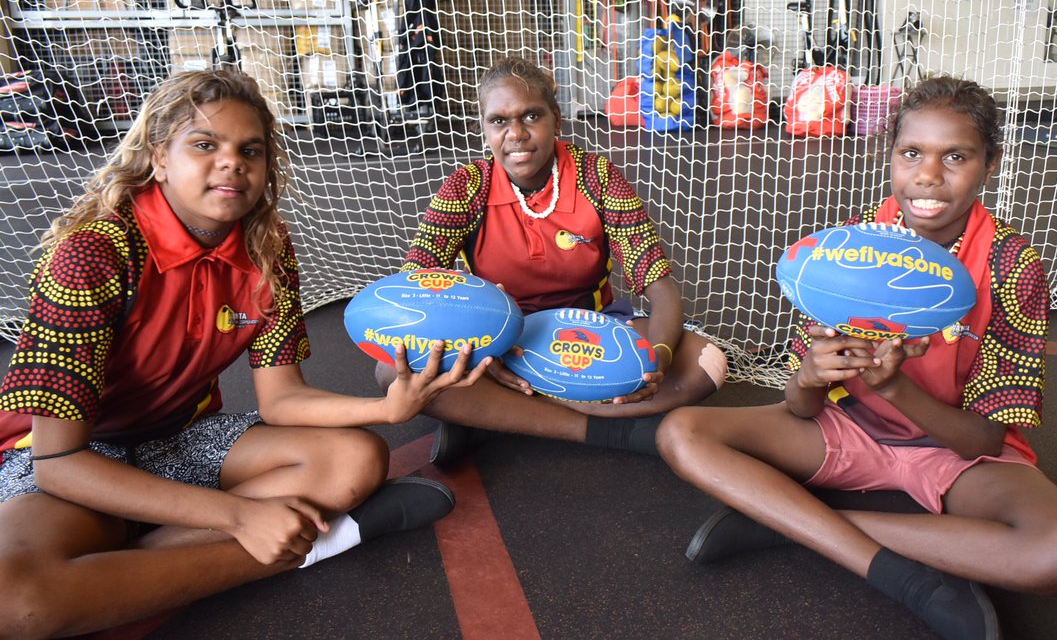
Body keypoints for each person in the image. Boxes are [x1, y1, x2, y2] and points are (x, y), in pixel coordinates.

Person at [0, 69, 489, 638]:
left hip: (177, 438)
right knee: (15, 601)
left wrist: (388, 409)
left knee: (355, 458)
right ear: (159, 159)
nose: (231, 162)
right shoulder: (90, 254)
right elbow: (58, 462)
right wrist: (240, 516)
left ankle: (110, 575)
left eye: (249, 150)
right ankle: (314, 544)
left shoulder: (266, 248)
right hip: (73, 460)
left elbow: (283, 400)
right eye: (205, 145)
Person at [656, 76, 1057, 640]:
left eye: (956, 157)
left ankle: (795, 525)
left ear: (990, 164)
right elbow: (800, 408)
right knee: (682, 433)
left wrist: (895, 387)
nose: (928, 175)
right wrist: (809, 377)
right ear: (890, 155)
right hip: (847, 428)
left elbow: (982, 441)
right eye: (912, 153)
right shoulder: (849, 249)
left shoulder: (1011, 265)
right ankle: (901, 574)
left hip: (951, 453)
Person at [378, 56, 727, 464]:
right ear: (484, 128)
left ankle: (490, 415)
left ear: (556, 119)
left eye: (531, 116)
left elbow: (659, 285)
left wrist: (657, 365)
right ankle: (604, 429)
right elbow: (414, 287)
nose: (516, 134)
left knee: (704, 362)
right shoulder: (466, 188)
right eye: (499, 121)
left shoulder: (596, 176)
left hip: (590, 335)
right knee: (394, 369)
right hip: (498, 341)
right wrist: (487, 355)